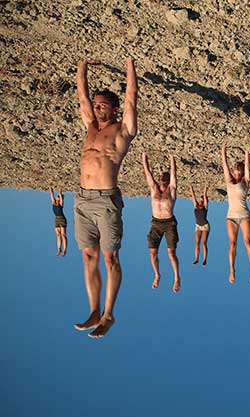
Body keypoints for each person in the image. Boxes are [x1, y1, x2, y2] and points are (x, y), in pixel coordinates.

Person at [73, 58, 137, 338]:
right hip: (82, 200)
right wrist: (83, 65)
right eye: (96, 105)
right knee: (89, 256)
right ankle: (94, 310)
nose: (97, 108)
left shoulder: (123, 130)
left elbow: (131, 97)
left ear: (114, 109)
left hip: (106, 200)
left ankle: (109, 314)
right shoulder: (90, 126)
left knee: (110, 258)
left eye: (103, 105)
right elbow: (82, 96)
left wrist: (129, 64)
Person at [143, 153, 181, 292]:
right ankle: (157, 275)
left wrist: (172, 159)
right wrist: (144, 158)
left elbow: (174, 176)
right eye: (161, 181)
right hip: (156, 223)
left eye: (165, 182)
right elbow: (148, 175)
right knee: (152, 253)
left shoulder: (171, 190)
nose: (162, 183)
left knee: (171, 253)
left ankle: (176, 277)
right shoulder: (154, 189)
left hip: (169, 223)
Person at [222, 145, 250, 283]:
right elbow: (224, 165)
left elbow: (248, 166)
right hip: (231, 217)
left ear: (241, 172)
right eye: (235, 168)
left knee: (247, 242)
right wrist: (223, 151)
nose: (236, 170)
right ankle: (232, 270)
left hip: (244, 216)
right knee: (232, 243)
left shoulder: (245, 181)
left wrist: (247, 152)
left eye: (239, 169)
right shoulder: (229, 180)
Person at [191, 184, 210, 265]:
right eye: (200, 199)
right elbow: (193, 197)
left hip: (205, 226)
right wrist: (191, 189)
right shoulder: (196, 206)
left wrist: (205, 189)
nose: (200, 200)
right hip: (198, 226)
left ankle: (205, 259)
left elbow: (205, 196)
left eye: (202, 199)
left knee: (204, 243)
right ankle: (196, 259)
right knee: (197, 243)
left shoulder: (205, 207)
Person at [50, 187, 68, 257]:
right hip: (56, 219)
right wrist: (51, 189)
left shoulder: (61, 204)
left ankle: (64, 249)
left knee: (63, 235)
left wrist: (60, 191)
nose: (57, 198)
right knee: (58, 235)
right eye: (57, 197)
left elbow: (60, 195)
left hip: (62, 218)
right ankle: (59, 249)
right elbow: (51, 195)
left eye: (59, 197)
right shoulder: (53, 203)